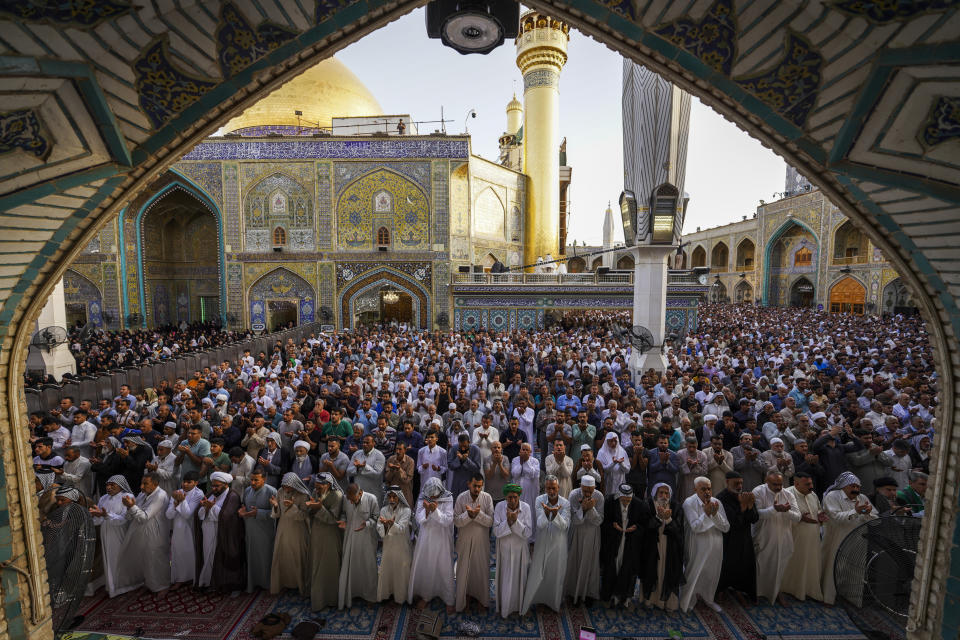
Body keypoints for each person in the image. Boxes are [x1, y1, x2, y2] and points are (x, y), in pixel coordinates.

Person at [821, 472, 878, 604]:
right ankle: (828, 598)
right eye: (852, 486)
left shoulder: (862, 498)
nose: (856, 490)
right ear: (844, 486)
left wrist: (868, 514)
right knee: (835, 567)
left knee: (855, 569)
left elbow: (876, 520)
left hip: (858, 541)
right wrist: (856, 512)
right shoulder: (832, 496)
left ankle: (850, 599)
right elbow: (836, 518)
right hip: (837, 539)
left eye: (858, 487)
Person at [679, 477, 729, 613]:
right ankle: (687, 600)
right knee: (693, 572)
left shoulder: (716, 502)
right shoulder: (689, 503)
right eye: (703, 489)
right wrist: (707, 514)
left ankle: (709, 599)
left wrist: (715, 514)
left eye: (709, 488)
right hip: (696, 545)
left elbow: (725, 527)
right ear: (695, 490)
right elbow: (695, 527)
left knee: (712, 573)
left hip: (716, 545)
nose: (707, 492)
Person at [522, 475, 570, 613]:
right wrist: (546, 513)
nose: (551, 491)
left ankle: (553, 602)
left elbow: (564, 526)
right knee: (538, 571)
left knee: (555, 572)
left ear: (558, 488)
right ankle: (537, 599)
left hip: (558, 543)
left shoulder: (565, 503)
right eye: (548, 488)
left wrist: (555, 515)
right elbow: (540, 524)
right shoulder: (539, 500)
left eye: (553, 488)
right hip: (542, 541)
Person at [752, 470, 800, 605]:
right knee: (761, 565)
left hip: (783, 537)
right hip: (764, 535)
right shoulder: (758, 491)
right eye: (775, 484)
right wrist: (775, 509)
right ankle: (756, 593)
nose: (779, 487)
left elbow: (797, 517)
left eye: (780, 484)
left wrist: (785, 512)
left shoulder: (788, 494)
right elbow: (757, 514)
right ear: (767, 481)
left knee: (779, 567)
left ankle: (776, 593)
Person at [118, 472, 170, 593]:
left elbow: (144, 517)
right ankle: (150, 583)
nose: (141, 487)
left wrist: (131, 506)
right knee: (145, 558)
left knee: (156, 559)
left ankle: (162, 586)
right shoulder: (143, 494)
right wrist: (129, 507)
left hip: (156, 533)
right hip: (142, 532)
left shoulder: (160, 495)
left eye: (145, 484)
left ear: (155, 484)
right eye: (142, 483)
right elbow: (131, 515)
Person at [409, 476, 456, 610]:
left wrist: (434, 510)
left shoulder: (448, 498)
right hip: (427, 537)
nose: (433, 498)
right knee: (428, 565)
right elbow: (418, 518)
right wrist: (427, 510)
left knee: (444, 566)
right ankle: (426, 595)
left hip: (442, 537)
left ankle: (448, 599)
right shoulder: (422, 497)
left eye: (435, 496)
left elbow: (447, 520)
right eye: (431, 496)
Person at [195, 471, 245, 591]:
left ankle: (219, 583)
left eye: (217, 486)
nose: (213, 488)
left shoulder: (233, 496)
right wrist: (204, 507)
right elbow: (200, 514)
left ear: (225, 485)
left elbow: (226, 516)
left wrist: (212, 507)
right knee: (208, 556)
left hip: (222, 533)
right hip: (208, 530)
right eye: (212, 485)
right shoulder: (212, 494)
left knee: (217, 557)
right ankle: (207, 581)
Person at [715, 471, 759, 605]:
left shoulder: (745, 495)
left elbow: (754, 518)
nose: (739, 486)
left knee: (744, 565)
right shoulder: (721, 498)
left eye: (741, 483)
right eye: (736, 483)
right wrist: (744, 507)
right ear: (727, 482)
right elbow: (732, 522)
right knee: (727, 565)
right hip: (728, 539)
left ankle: (739, 590)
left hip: (744, 538)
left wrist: (750, 507)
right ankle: (721, 590)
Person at [781, 472, 825, 601]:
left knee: (811, 564)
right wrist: (801, 519)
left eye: (811, 483)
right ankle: (788, 590)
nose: (811, 487)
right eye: (807, 484)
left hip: (813, 537)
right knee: (795, 563)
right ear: (796, 483)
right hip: (795, 537)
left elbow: (818, 510)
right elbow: (781, 514)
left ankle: (809, 590)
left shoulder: (813, 495)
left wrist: (821, 516)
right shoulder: (787, 494)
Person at [89, 475, 134, 597]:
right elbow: (99, 519)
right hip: (105, 533)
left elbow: (123, 520)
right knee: (108, 559)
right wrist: (97, 516)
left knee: (119, 558)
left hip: (120, 533)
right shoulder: (104, 498)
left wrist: (105, 515)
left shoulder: (128, 497)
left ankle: (124, 585)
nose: (108, 488)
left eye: (112, 485)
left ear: (121, 486)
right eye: (107, 485)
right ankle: (112, 586)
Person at [454, 473, 494, 612]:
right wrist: (468, 515)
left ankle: (482, 599)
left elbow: (490, 522)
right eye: (474, 485)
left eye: (479, 486)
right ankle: (465, 597)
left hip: (481, 541)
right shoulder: (461, 498)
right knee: (464, 569)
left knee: (481, 569)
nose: (477, 489)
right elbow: (457, 522)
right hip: (464, 540)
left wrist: (477, 515)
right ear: (468, 484)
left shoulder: (487, 498)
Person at [640, 482, 683, 611]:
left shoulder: (676, 507)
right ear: (655, 494)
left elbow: (678, 530)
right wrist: (659, 517)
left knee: (667, 572)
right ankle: (651, 601)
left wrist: (668, 519)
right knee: (653, 572)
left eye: (666, 493)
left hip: (670, 548)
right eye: (661, 493)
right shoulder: (648, 505)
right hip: (653, 546)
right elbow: (647, 527)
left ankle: (667, 603)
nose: (664, 496)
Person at [600, 483, 644, 608]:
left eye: (628, 500)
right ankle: (609, 595)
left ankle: (624, 597)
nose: (626, 503)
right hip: (613, 543)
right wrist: (613, 527)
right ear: (619, 497)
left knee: (627, 568)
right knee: (612, 567)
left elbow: (643, 524)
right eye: (623, 500)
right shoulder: (610, 502)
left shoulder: (638, 504)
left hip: (629, 543)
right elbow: (604, 523)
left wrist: (635, 528)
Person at [338, 483, 380, 608]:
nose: (351, 502)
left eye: (353, 499)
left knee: (368, 567)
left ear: (360, 493)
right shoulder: (347, 499)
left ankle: (370, 597)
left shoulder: (371, 499)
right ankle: (352, 593)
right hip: (350, 537)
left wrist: (366, 524)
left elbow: (376, 518)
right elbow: (344, 513)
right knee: (352, 565)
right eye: (349, 500)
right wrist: (344, 521)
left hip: (367, 538)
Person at [494, 483, 532, 618]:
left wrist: (516, 522)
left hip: (520, 551)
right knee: (505, 579)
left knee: (519, 579)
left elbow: (528, 533)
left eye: (515, 497)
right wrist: (508, 523)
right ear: (505, 497)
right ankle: (505, 608)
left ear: (519, 496)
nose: (513, 501)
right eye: (510, 498)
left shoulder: (526, 508)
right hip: (504, 550)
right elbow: (496, 532)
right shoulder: (499, 507)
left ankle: (518, 607)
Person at [565, 474, 604, 606]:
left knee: (590, 561)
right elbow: (574, 520)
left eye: (590, 490)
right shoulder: (574, 495)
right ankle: (572, 592)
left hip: (592, 533)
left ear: (594, 488)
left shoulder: (599, 496)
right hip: (577, 532)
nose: (587, 493)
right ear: (580, 486)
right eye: (585, 490)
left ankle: (588, 593)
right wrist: (583, 508)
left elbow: (599, 521)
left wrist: (591, 508)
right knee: (575, 560)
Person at [269, 473, 311, 596]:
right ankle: (284, 583)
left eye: (288, 486)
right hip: (283, 528)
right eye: (284, 485)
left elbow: (303, 516)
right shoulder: (280, 492)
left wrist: (292, 507)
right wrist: (276, 506)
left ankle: (301, 585)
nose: (286, 488)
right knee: (282, 556)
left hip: (298, 530)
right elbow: (277, 514)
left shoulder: (303, 495)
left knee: (298, 557)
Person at [307, 472, 344, 610]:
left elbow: (334, 519)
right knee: (316, 563)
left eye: (319, 487)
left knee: (330, 565)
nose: (316, 490)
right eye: (315, 487)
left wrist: (319, 508)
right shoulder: (315, 492)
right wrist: (311, 507)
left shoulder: (337, 496)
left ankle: (331, 598)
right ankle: (317, 598)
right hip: (316, 532)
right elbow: (309, 511)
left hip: (330, 535)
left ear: (328, 485)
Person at [239, 468, 276, 592]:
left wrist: (258, 513)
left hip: (265, 532)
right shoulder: (248, 490)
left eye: (256, 480)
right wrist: (243, 511)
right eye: (252, 480)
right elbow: (244, 506)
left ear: (264, 479)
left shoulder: (272, 491)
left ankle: (267, 584)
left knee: (265, 558)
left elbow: (276, 513)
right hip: (250, 530)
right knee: (252, 557)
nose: (253, 483)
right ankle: (253, 583)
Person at [377, 485, 413, 604]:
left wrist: (391, 524)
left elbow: (402, 529)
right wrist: (386, 525)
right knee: (387, 568)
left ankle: (401, 597)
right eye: (390, 497)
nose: (391, 499)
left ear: (399, 497)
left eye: (394, 497)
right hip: (388, 545)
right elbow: (379, 526)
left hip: (401, 546)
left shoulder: (406, 510)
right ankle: (386, 594)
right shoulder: (383, 510)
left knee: (401, 569)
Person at [166, 471, 203, 585]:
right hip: (177, 528)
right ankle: (180, 578)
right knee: (177, 553)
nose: (185, 484)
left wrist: (180, 501)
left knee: (189, 552)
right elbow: (168, 515)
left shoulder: (199, 494)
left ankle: (191, 577)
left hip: (190, 528)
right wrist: (175, 504)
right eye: (184, 482)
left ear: (196, 483)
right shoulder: (178, 492)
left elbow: (188, 515)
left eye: (189, 482)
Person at [511, 442, 540, 539]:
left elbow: (533, 474)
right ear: (520, 451)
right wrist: (521, 462)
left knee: (530, 512)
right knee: (518, 511)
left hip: (531, 492)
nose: (524, 451)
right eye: (523, 449)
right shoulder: (515, 460)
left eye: (527, 450)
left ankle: (531, 538)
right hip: (518, 493)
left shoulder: (535, 461)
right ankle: (518, 533)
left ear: (531, 452)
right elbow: (515, 473)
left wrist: (526, 461)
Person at [349, 434, 385, 503]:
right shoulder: (357, 454)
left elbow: (377, 474)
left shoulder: (379, 456)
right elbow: (348, 472)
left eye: (367, 443)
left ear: (373, 443)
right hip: (359, 493)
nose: (365, 444)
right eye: (363, 442)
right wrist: (357, 468)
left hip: (374, 493)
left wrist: (364, 467)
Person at [447, 433, 482, 498]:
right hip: (457, 481)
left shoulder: (476, 449)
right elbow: (450, 465)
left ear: (469, 442)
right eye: (461, 446)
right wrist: (458, 459)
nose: (463, 449)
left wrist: (466, 460)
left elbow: (477, 468)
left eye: (465, 446)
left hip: (470, 482)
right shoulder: (454, 448)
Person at [598, 431, 630, 496]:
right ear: (606, 441)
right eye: (611, 441)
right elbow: (602, 470)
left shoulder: (622, 451)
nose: (613, 443)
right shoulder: (601, 452)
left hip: (620, 481)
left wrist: (621, 464)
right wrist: (613, 463)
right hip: (607, 482)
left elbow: (627, 470)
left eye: (615, 441)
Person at [384, 441, 415, 508]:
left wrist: (399, 469)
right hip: (392, 494)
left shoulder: (410, 461)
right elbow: (387, 478)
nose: (398, 451)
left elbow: (407, 480)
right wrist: (392, 469)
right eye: (396, 449)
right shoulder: (391, 459)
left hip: (405, 493)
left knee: (406, 513)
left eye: (400, 449)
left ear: (405, 450)